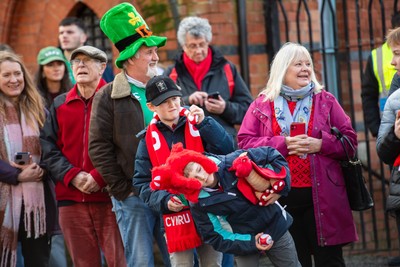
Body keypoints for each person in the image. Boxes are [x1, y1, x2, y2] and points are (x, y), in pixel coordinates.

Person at [237, 42, 358, 267]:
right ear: (283, 70)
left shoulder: (327, 100)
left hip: (323, 199)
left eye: (308, 64)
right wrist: (283, 144)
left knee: (329, 261)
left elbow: (350, 141)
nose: (305, 69)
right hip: (281, 199)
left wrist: (320, 144)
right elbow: (245, 143)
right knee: (294, 262)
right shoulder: (262, 104)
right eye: (298, 64)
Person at [88, 3, 170, 267]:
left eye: (155, 50)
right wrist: (123, 190)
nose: (156, 56)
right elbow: (98, 147)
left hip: (171, 192)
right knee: (140, 261)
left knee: (180, 259)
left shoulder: (167, 87)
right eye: (149, 51)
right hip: (133, 196)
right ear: (132, 56)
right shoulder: (108, 95)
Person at [133, 75, 235, 266]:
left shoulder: (198, 121)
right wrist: (164, 200)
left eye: (174, 98)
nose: (172, 105)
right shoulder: (146, 140)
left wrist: (206, 123)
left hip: (209, 208)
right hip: (175, 218)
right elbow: (141, 183)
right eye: (164, 102)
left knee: (213, 263)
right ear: (151, 107)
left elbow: (228, 149)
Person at [40, 45, 126, 267]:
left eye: (87, 61)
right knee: (83, 263)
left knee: (120, 262)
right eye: (76, 62)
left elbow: (125, 148)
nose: (80, 65)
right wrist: (73, 175)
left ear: (102, 67)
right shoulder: (60, 104)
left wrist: (98, 177)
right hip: (70, 199)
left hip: (110, 197)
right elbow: (48, 149)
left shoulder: (117, 100)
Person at [149, 142, 301, 267]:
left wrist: (281, 188)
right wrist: (251, 242)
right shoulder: (199, 204)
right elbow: (215, 236)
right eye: (195, 179)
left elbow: (271, 154)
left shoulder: (231, 161)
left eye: (199, 170)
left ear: (202, 162)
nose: (203, 177)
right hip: (243, 240)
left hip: (275, 224)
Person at [0, 51, 57, 267]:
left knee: (39, 261)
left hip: (37, 205)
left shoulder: (39, 111)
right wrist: (17, 175)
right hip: (4, 201)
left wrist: (41, 169)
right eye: (6, 75)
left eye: (18, 73)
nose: (14, 80)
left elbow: (54, 149)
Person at [164, 16, 253, 148]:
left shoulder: (227, 69)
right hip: (186, 147)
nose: (198, 50)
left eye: (202, 44)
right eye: (192, 46)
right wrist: (188, 101)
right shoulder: (172, 74)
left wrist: (225, 108)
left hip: (223, 146)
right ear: (183, 46)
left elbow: (249, 111)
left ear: (208, 42)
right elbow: (162, 112)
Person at [376, 26, 400, 267]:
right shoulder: (396, 91)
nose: (392, 62)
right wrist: (396, 135)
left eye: (397, 53)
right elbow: (383, 151)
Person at [361, 12, 400, 137]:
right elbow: (368, 96)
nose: (393, 62)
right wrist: (376, 130)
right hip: (388, 127)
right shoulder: (376, 56)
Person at [58, 16, 114, 83]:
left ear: (83, 37)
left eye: (70, 32)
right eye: (61, 33)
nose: (64, 36)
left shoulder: (98, 62)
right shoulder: (52, 62)